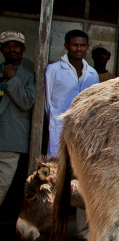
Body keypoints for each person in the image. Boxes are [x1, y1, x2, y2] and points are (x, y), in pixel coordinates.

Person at [46, 29, 99, 158]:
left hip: (83, 130)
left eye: (82, 45)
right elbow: (47, 103)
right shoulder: (54, 70)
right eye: (75, 45)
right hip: (58, 128)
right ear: (66, 46)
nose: (79, 48)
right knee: (56, 168)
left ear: (87, 46)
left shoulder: (92, 74)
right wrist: (54, 121)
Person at [0, 31, 34, 206]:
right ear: (1, 49)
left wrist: (12, 78)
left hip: (10, 143)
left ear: (23, 49)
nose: (12, 49)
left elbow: (27, 102)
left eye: (16, 46)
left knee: (1, 186)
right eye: (7, 46)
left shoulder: (29, 76)